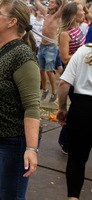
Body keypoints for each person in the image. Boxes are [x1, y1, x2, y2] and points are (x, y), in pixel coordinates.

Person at [0, 0, 40, 199]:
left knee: (10, 195)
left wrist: (31, 148)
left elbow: (32, 106)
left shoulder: (22, 55)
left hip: (13, 140)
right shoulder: (4, 50)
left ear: (12, 22)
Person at [56, 43, 92, 200]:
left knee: (76, 159)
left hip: (82, 109)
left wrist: (62, 107)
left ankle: (73, 197)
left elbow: (64, 83)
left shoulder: (84, 51)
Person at [57, 2, 86, 154]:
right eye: (81, 10)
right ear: (74, 15)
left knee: (78, 108)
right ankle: (65, 139)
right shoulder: (65, 34)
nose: (84, 12)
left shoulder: (79, 28)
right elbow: (65, 58)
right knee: (76, 108)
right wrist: (84, 53)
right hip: (72, 75)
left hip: (81, 73)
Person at [35, 0, 66, 102]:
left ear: (57, 5)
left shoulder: (57, 15)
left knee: (49, 70)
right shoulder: (46, 13)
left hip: (51, 47)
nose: (50, 4)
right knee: (41, 69)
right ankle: (45, 89)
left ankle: (54, 92)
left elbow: (64, 5)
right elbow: (38, 3)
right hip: (42, 46)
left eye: (53, 2)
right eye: (50, 2)